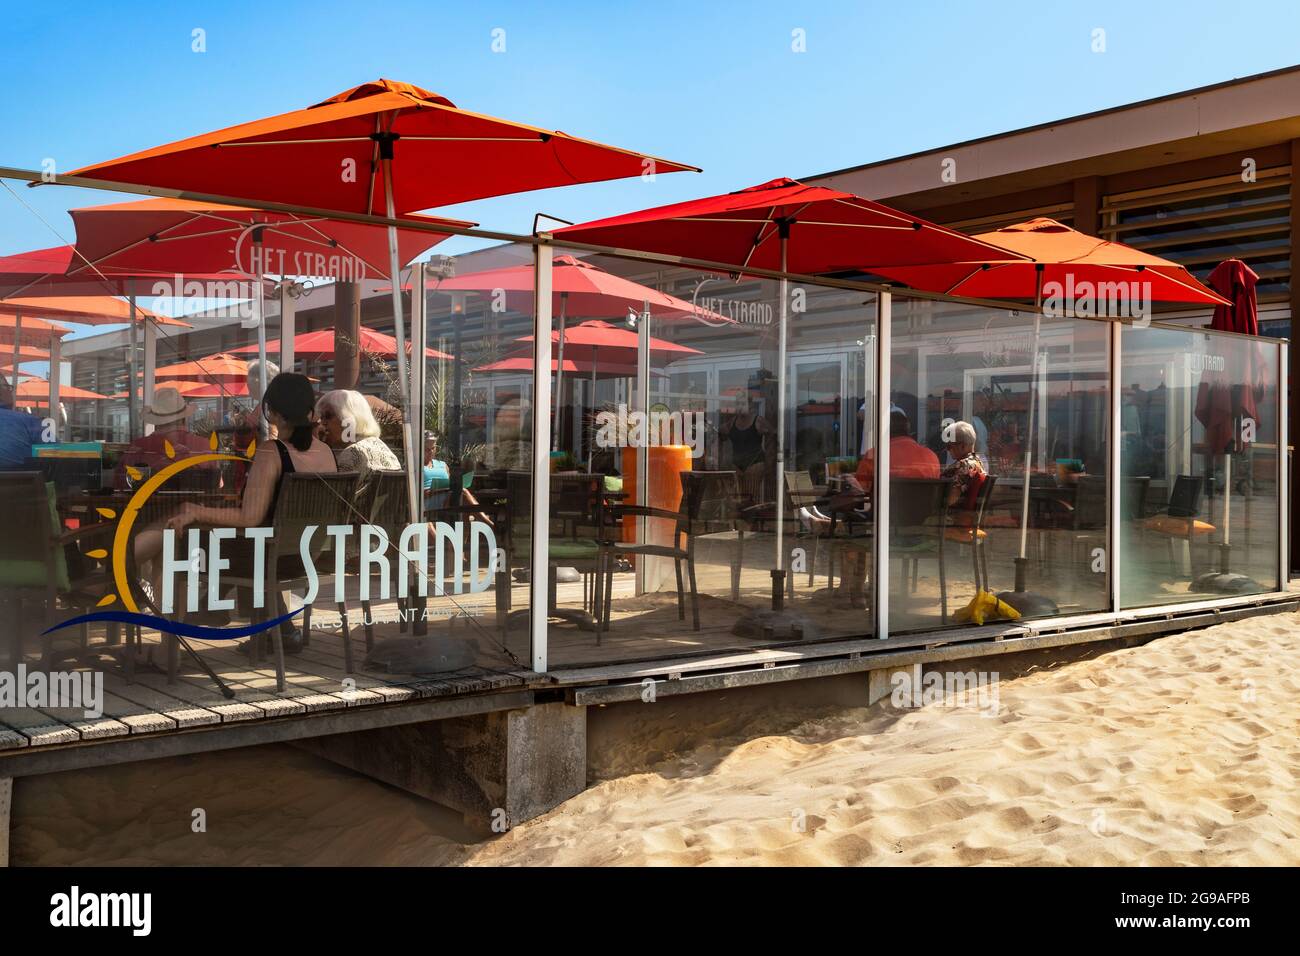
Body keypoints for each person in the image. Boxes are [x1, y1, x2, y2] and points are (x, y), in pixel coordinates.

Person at [135, 373, 336, 650]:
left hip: (265, 559)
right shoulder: (326, 452)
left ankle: (168, 649)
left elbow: (249, 517)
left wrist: (196, 512)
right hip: (307, 556)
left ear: (272, 413)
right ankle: (207, 610)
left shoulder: (271, 452)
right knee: (188, 529)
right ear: (310, 411)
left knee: (173, 541)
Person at [113, 387, 216, 489]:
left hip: (149, 504)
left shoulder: (138, 447)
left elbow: (120, 485)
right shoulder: (204, 444)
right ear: (184, 418)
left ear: (155, 421)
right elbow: (218, 485)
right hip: (195, 504)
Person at [315, 388, 400, 486]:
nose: (322, 422)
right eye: (321, 417)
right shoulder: (382, 447)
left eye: (328, 416)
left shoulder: (353, 453)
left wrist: (319, 448)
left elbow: (333, 497)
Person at [941, 419, 987, 509]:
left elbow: (950, 500)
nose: (947, 449)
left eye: (949, 446)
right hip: (963, 516)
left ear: (963, 446)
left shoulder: (964, 465)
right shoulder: (978, 462)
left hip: (949, 518)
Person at [0, 380, 45, 470]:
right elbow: (55, 451)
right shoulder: (29, 421)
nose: (11, 392)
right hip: (20, 482)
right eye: (8, 387)